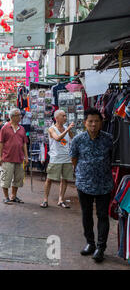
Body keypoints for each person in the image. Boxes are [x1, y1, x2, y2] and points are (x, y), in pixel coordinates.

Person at [70, 108, 113, 263]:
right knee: (86, 215)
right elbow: (74, 159)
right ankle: (90, 243)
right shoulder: (78, 139)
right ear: (85, 123)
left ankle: (101, 248)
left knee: (102, 216)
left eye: (96, 121)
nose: (93, 124)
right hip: (84, 184)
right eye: (90, 121)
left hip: (104, 184)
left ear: (101, 123)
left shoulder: (109, 139)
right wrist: (83, 172)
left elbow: (112, 158)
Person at [40, 110, 75, 209]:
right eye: (63, 116)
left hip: (67, 158)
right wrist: (67, 129)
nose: (65, 117)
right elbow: (57, 138)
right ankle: (45, 200)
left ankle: (61, 199)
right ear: (57, 118)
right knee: (49, 179)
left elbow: (73, 139)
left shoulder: (67, 129)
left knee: (64, 179)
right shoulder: (52, 129)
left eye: (65, 116)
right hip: (56, 158)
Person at [0, 108, 29, 204]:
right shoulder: (5, 128)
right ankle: (6, 197)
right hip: (7, 158)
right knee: (6, 178)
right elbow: (1, 143)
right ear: (12, 117)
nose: (20, 117)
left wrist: (26, 157)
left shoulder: (22, 128)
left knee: (18, 179)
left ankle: (13, 196)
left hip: (19, 158)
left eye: (20, 115)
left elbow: (24, 143)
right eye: (18, 115)